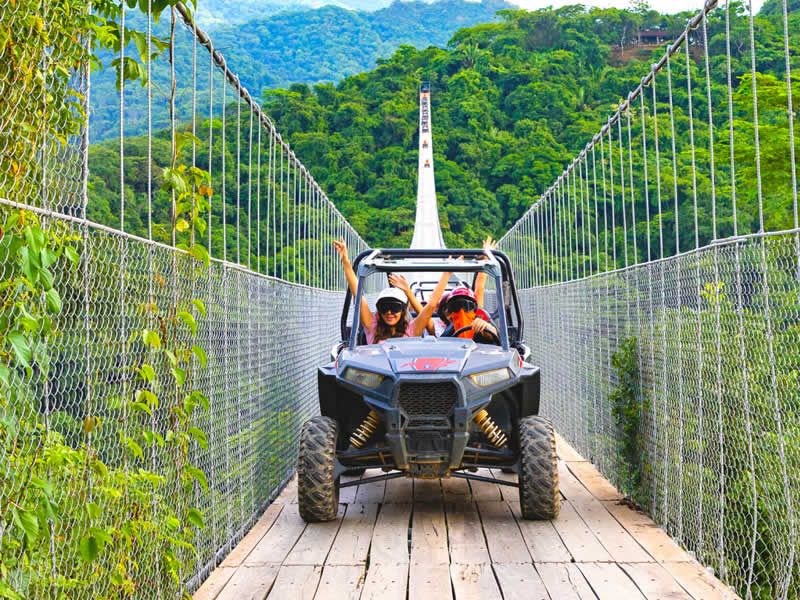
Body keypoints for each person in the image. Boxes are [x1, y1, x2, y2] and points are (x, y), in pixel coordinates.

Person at [333, 239, 450, 344]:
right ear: (379, 309)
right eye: (384, 307)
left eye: (394, 307)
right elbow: (358, 294)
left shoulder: (412, 330)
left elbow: (432, 304)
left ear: (403, 310)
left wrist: (447, 272)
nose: (389, 312)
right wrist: (345, 261)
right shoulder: (372, 328)